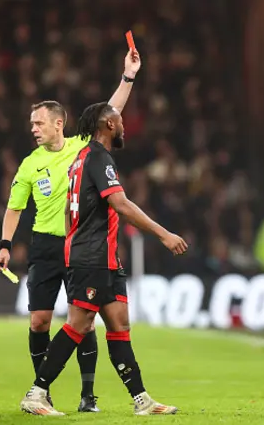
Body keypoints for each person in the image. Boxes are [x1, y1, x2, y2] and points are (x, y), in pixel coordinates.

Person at [0, 48, 141, 412]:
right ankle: (43, 394)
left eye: (38, 123)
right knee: (40, 320)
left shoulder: (81, 147)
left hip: (77, 246)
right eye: (32, 124)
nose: (33, 129)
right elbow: (15, 208)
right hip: (44, 245)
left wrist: (128, 77)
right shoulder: (29, 165)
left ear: (59, 124)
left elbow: (111, 112)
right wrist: (5, 244)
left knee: (84, 320)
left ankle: (88, 396)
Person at [19, 102, 188, 416]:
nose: (124, 125)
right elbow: (121, 204)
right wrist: (163, 234)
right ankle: (37, 393)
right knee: (79, 325)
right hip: (91, 256)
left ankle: (142, 400)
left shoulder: (84, 158)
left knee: (119, 324)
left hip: (104, 257)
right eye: (120, 120)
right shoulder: (97, 157)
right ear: (109, 125)